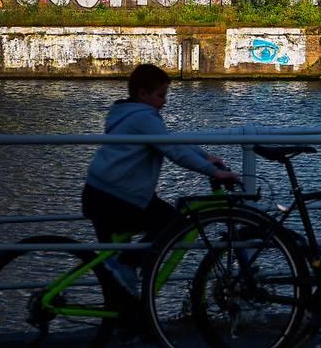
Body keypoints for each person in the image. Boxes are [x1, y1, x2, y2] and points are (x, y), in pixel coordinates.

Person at [82, 64, 239, 296]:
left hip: (102, 192)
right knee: (174, 225)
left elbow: (170, 141)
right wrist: (213, 171)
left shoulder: (128, 113)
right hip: (117, 197)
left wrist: (206, 156)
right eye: (160, 95)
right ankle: (129, 267)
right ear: (143, 94)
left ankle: (126, 320)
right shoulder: (143, 118)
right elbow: (173, 150)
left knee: (119, 281)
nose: (164, 101)